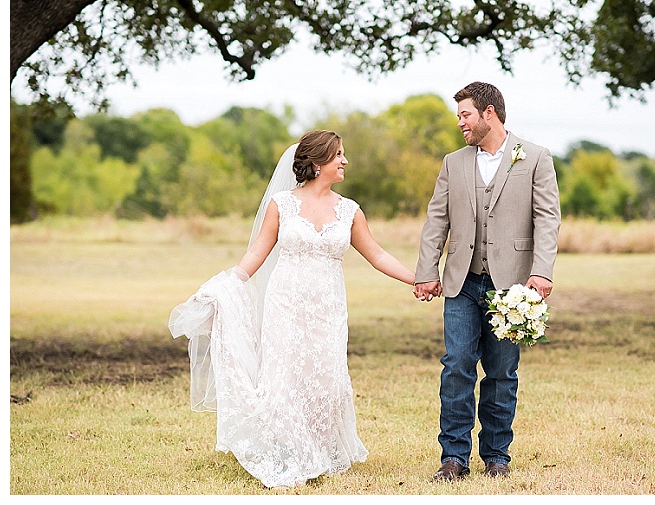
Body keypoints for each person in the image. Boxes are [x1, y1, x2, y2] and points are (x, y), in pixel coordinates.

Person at [169, 130, 416, 488]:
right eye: (339, 155)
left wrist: (420, 279)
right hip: (285, 304)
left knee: (324, 376)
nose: (345, 161)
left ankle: (319, 446)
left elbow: (377, 255)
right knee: (285, 374)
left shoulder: (349, 210)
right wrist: (223, 287)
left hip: (328, 308)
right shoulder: (282, 204)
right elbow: (256, 253)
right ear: (317, 163)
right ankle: (288, 451)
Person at [413, 82, 561, 481]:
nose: (460, 122)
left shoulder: (535, 157)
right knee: (457, 365)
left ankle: (497, 456)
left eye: (465, 114)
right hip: (461, 281)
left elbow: (548, 219)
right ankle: (454, 458)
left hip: (512, 284)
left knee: (500, 372)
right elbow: (436, 220)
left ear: (489, 113)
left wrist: (541, 271)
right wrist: (427, 271)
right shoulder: (453, 162)